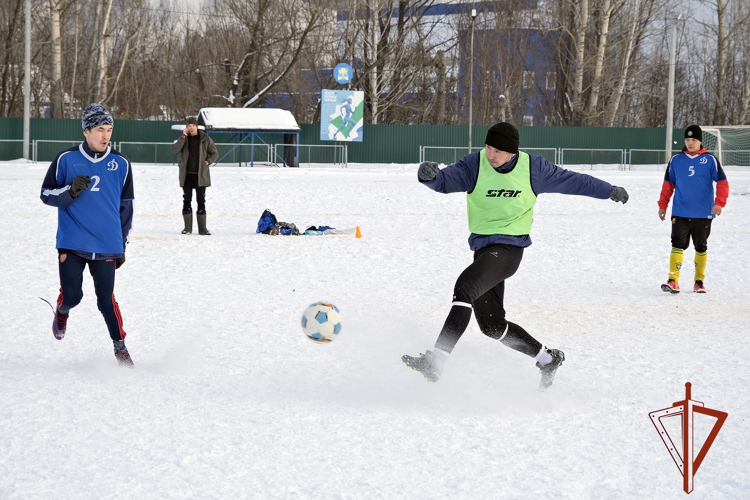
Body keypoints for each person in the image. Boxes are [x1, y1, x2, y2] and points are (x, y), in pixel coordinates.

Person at [402, 122, 629, 390]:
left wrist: (608, 190)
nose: (490, 154)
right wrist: (429, 176)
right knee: (492, 326)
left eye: (497, 150)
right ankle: (547, 358)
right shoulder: (474, 165)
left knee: (465, 287)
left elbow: (574, 181)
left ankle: (437, 360)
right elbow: (443, 181)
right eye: (487, 147)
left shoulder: (533, 169)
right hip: (483, 250)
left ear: (512, 152)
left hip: (509, 250)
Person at [40, 103, 135, 366]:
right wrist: (69, 192)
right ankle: (62, 311)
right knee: (74, 296)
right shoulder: (65, 159)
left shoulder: (121, 163)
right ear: (86, 131)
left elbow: (126, 208)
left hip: (107, 245)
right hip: (72, 243)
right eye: (100, 129)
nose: (106, 135)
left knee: (106, 301)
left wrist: (121, 245)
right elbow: (46, 195)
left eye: (109, 129)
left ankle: (120, 349)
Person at [658, 125, 729, 294]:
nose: (690, 143)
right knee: (677, 244)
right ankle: (673, 280)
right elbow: (668, 185)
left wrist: (719, 202)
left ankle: (699, 282)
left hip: (703, 213)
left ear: (700, 141)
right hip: (680, 212)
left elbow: (722, 183)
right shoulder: (676, 160)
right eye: (687, 140)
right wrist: (663, 205)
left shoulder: (710, 160)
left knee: (701, 247)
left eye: (694, 140)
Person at [171, 116, 218, 235]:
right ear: (186, 128)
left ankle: (202, 229)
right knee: (186, 200)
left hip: (200, 176)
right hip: (187, 176)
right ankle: (187, 228)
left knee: (201, 200)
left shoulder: (205, 139)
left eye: (193, 126)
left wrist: (207, 162)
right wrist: (183, 136)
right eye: (189, 126)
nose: (191, 128)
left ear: (196, 126)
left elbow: (214, 153)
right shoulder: (184, 139)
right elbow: (175, 150)